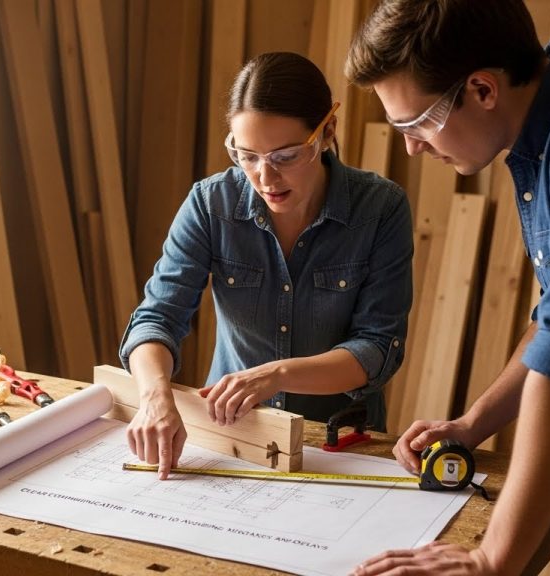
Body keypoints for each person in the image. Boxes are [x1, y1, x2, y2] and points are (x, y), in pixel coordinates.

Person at [344, 1, 550, 574]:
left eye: (414, 123)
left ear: (482, 90)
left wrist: (491, 560)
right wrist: (474, 425)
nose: (412, 147)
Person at [119, 52, 413, 480]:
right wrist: (154, 396)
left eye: (286, 156)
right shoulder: (210, 204)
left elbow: (377, 348)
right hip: (232, 435)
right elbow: (156, 318)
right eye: (247, 155)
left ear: (327, 131)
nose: (265, 178)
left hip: (337, 441)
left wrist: (278, 375)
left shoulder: (381, 209)